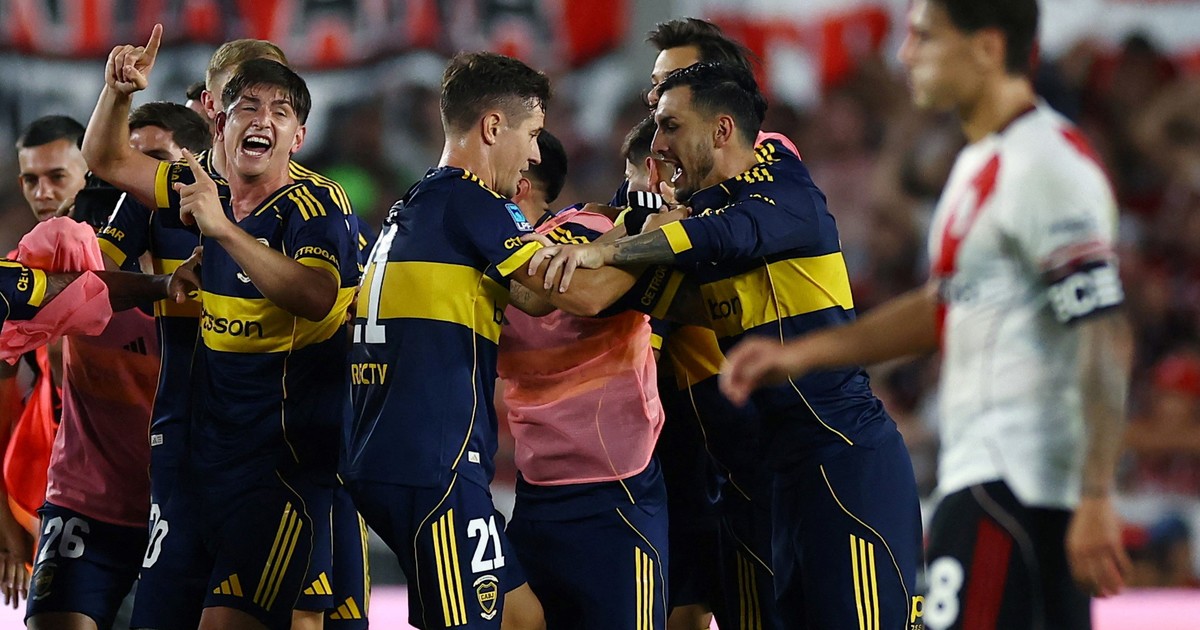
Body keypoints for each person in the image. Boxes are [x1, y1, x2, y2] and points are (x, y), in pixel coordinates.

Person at [722, 1, 1133, 628]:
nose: (906, 54)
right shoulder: (977, 166)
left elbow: (1103, 330)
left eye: (925, 38)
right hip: (987, 481)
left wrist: (1097, 492)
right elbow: (946, 307)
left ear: (987, 49)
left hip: (1014, 487)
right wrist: (800, 355)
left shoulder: (1047, 167)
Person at [530, 62, 923, 630]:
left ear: (721, 130)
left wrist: (608, 250)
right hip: (780, 477)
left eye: (670, 127)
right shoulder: (699, 214)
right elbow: (594, 296)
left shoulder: (780, 181)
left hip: (845, 459)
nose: (659, 144)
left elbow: (726, 233)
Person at [342, 50, 650, 629]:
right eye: (531, 134)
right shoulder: (474, 200)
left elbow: (532, 299)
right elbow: (581, 297)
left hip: (390, 455)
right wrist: (650, 236)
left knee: (521, 618)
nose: (534, 154)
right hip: (436, 466)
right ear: (492, 127)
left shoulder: (419, 203)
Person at [84, 27, 358, 629]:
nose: (262, 120)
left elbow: (316, 297)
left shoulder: (318, 204)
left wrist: (223, 230)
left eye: (279, 112)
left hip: (281, 468)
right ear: (218, 120)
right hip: (199, 462)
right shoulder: (194, 184)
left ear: (299, 136)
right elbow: (106, 160)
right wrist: (118, 93)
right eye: (247, 107)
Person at [498, 130, 669, 630]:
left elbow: (585, 294)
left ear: (520, 184)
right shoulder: (492, 258)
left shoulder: (587, 228)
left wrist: (637, 226)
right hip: (537, 491)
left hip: (614, 496)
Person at [0, 115, 90, 610]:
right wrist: (7, 534)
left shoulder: (141, 261)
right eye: (30, 180)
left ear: (90, 172)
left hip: (139, 491)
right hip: (42, 499)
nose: (42, 193)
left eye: (57, 176)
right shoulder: (15, 280)